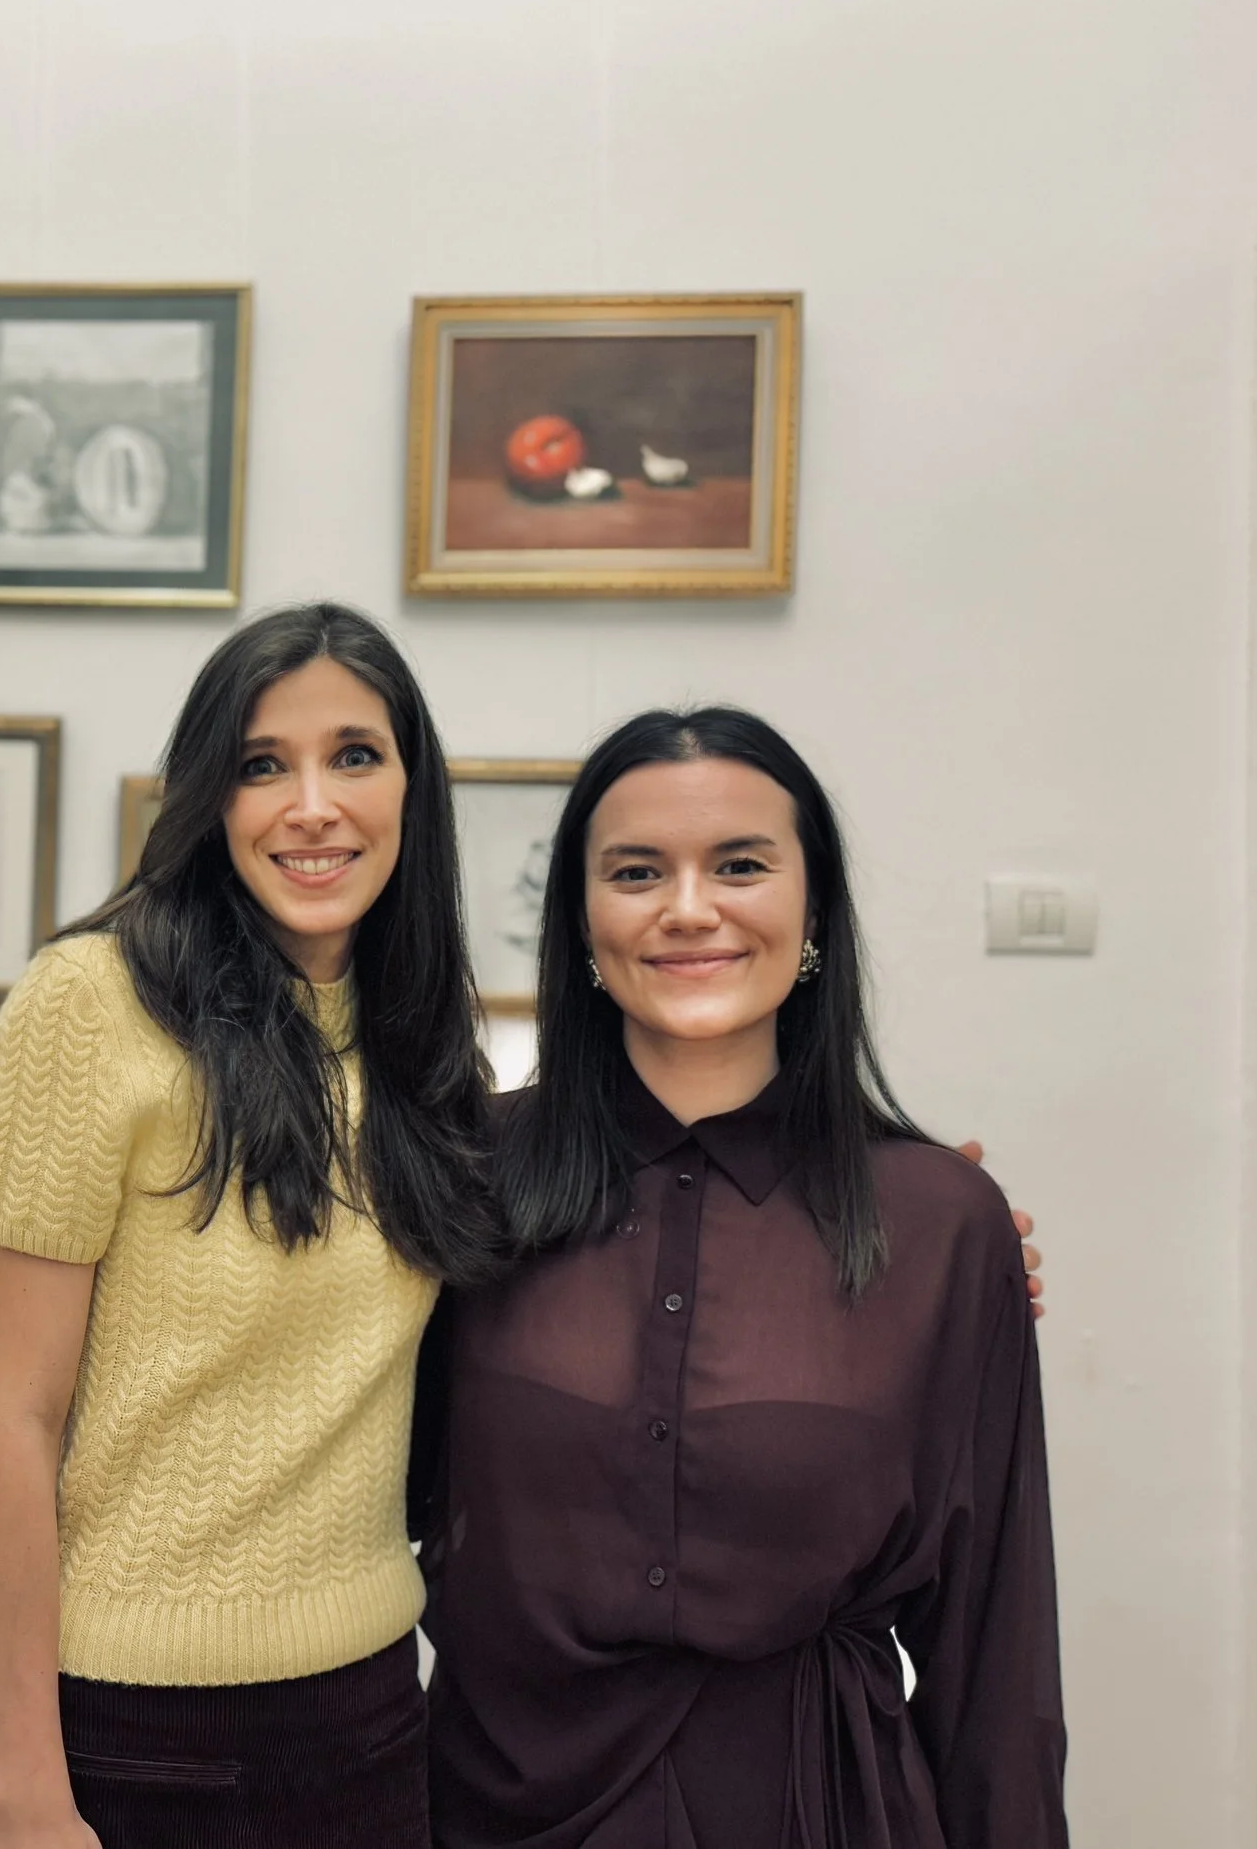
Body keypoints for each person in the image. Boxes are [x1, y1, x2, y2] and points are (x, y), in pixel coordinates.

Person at [414, 707, 1067, 1847]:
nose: (687, 907)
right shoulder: (459, 1180)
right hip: (493, 1807)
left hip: (818, 1809)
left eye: (740, 864)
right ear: (580, 920)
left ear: (812, 910)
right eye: (634, 871)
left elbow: (995, 1653)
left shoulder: (942, 1226)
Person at [0, 603, 507, 1849]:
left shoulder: (417, 1044)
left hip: (371, 1724)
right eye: (264, 766)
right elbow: (9, 1419)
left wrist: (917, 1212)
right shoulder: (90, 1006)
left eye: (354, 756)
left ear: (411, 788)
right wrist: (25, 1793)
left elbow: (620, 1172)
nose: (312, 805)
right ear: (211, 796)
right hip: (129, 1740)